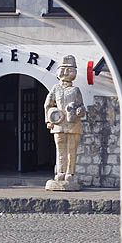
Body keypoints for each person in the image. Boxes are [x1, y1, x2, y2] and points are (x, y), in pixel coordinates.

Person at [44, 55, 86, 186]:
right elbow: (48, 104)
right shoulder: (55, 89)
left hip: (73, 124)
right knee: (60, 149)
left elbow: (82, 107)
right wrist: (49, 119)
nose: (66, 72)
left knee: (71, 150)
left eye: (70, 69)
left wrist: (80, 111)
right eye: (63, 69)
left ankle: (70, 173)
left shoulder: (75, 90)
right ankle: (60, 172)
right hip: (59, 123)